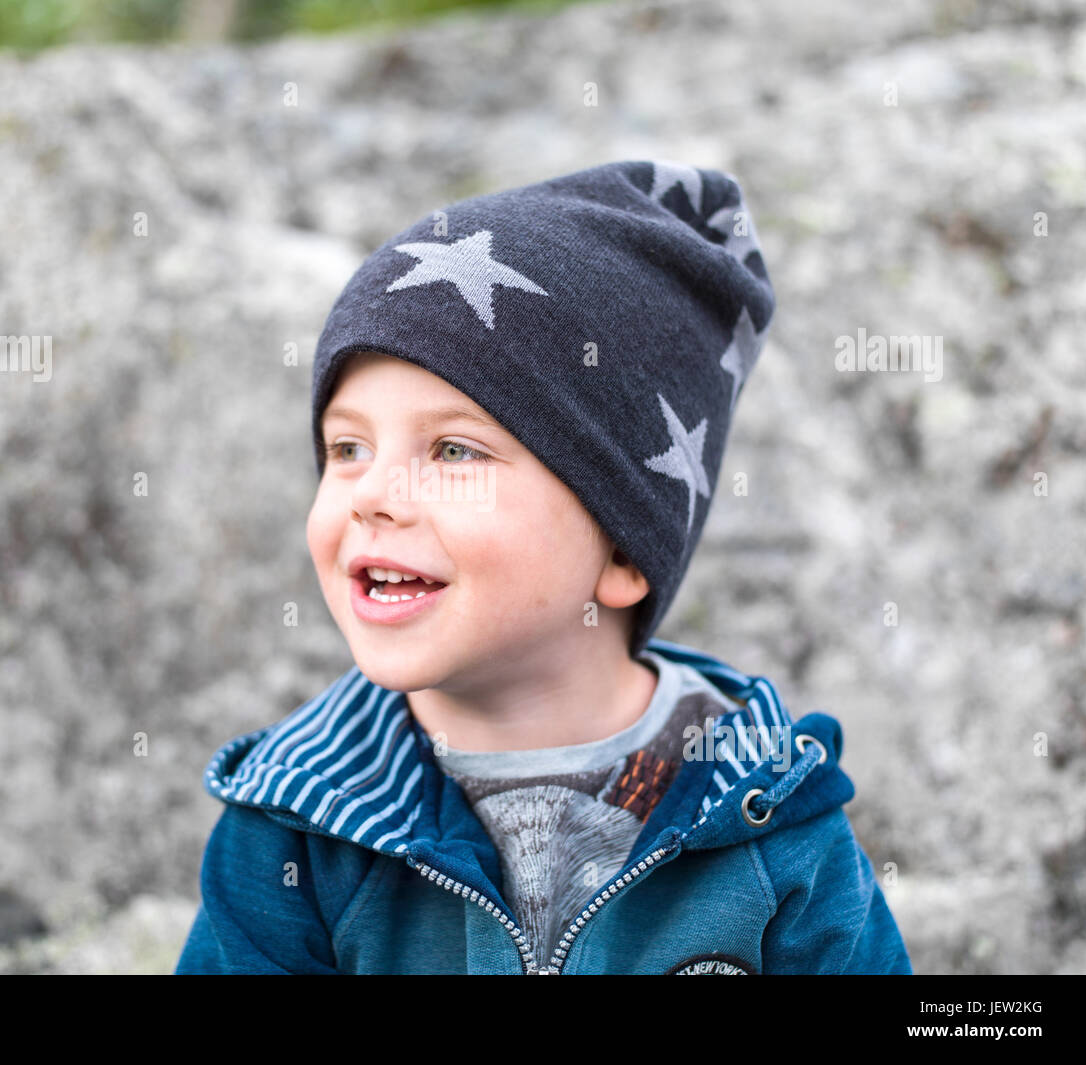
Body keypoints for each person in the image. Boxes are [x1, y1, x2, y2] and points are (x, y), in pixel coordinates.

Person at [175, 159, 913, 974]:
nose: (373, 494)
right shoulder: (298, 825)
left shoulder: (764, 814)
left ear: (623, 548)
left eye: (453, 450)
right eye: (347, 447)